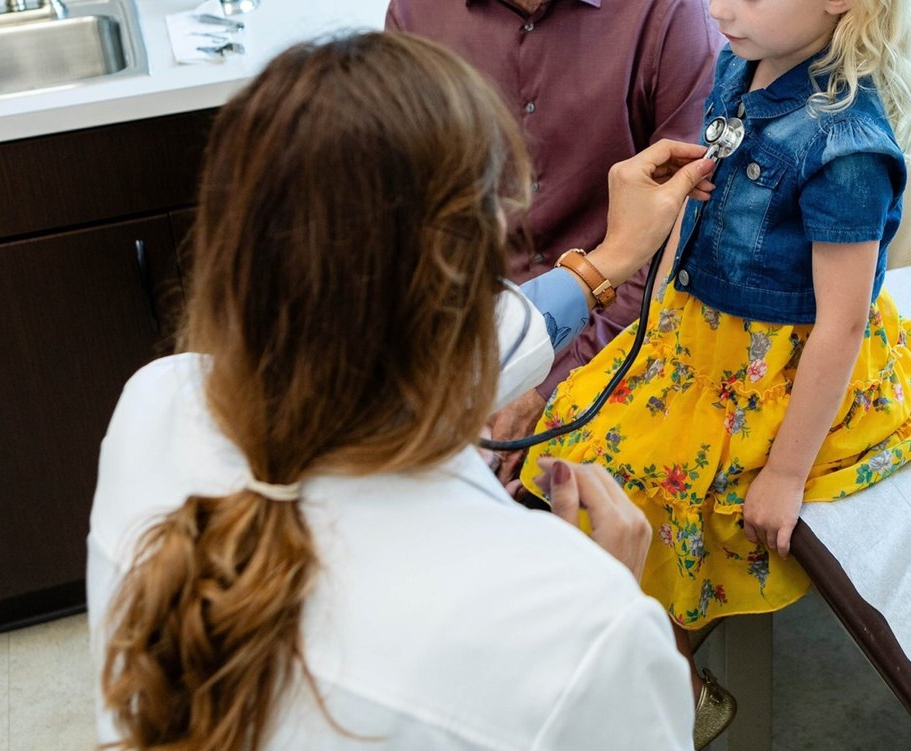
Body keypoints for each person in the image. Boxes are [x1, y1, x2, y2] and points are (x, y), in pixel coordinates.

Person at [87, 33, 716, 750]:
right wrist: (605, 606)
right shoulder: (574, 626)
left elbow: (469, 334)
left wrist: (608, 261)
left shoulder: (153, 404)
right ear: (474, 272)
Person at [520, 0, 911, 743]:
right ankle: (655, 661)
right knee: (580, 450)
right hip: (695, 338)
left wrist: (785, 474)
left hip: (773, 368)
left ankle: (673, 680)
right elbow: (691, 213)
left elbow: (841, 325)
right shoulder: (738, 63)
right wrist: (656, 324)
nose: (720, 6)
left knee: (648, 498)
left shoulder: (849, 150)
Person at [385, 0, 723, 479]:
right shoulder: (416, 15)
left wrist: (545, 389)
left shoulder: (672, 14)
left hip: (624, 341)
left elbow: (680, 233)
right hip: (460, 345)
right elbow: (408, 220)